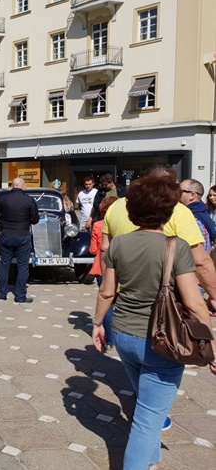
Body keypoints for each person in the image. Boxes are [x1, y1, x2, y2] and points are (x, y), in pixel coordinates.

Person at [92, 176, 215, 470]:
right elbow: (195, 303)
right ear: (169, 211)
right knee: (148, 419)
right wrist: (209, 344)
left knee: (146, 405)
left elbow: (107, 291)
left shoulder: (119, 244)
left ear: (132, 210)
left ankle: (152, 461)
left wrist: (97, 324)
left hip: (123, 334)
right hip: (163, 339)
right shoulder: (176, 246)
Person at [101, 165, 216, 315]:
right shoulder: (178, 210)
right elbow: (200, 262)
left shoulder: (116, 206)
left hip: (123, 289)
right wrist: (213, 295)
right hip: (167, 295)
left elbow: (105, 248)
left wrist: (107, 283)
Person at [0, 177, 39, 303]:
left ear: (12, 187)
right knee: (23, 266)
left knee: (4, 265)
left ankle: (1, 294)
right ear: (23, 186)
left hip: (7, 234)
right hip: (23, 235)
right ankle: (20, 296)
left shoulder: (3, 199)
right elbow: (35, 219)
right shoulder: (29, 200)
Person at [89, 195, 119, 348]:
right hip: (120, 266)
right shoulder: (124, 224)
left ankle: (110, 339)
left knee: (106, 300)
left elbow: (93, 249)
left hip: (102, 267)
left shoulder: (98, 225)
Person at [180, 179, 216, 254]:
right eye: (210, 195)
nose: (176, 194)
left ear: (193, 195)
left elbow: (200, 253)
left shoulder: (194, 218)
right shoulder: (204, 211)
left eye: (180, 191)